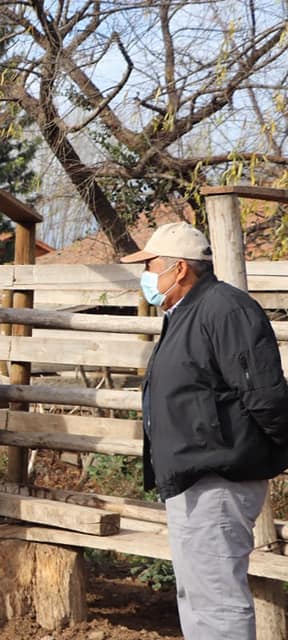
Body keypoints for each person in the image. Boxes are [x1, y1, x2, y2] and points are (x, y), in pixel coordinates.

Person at [121, 222, 288, 639]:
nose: (146, 277)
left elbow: (265, 395)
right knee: (197, 596)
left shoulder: (224, 309)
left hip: (218, 479)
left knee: (217, 602)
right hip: (195, 478)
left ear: (179, 269)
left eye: (151, 266)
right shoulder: (186, 312)